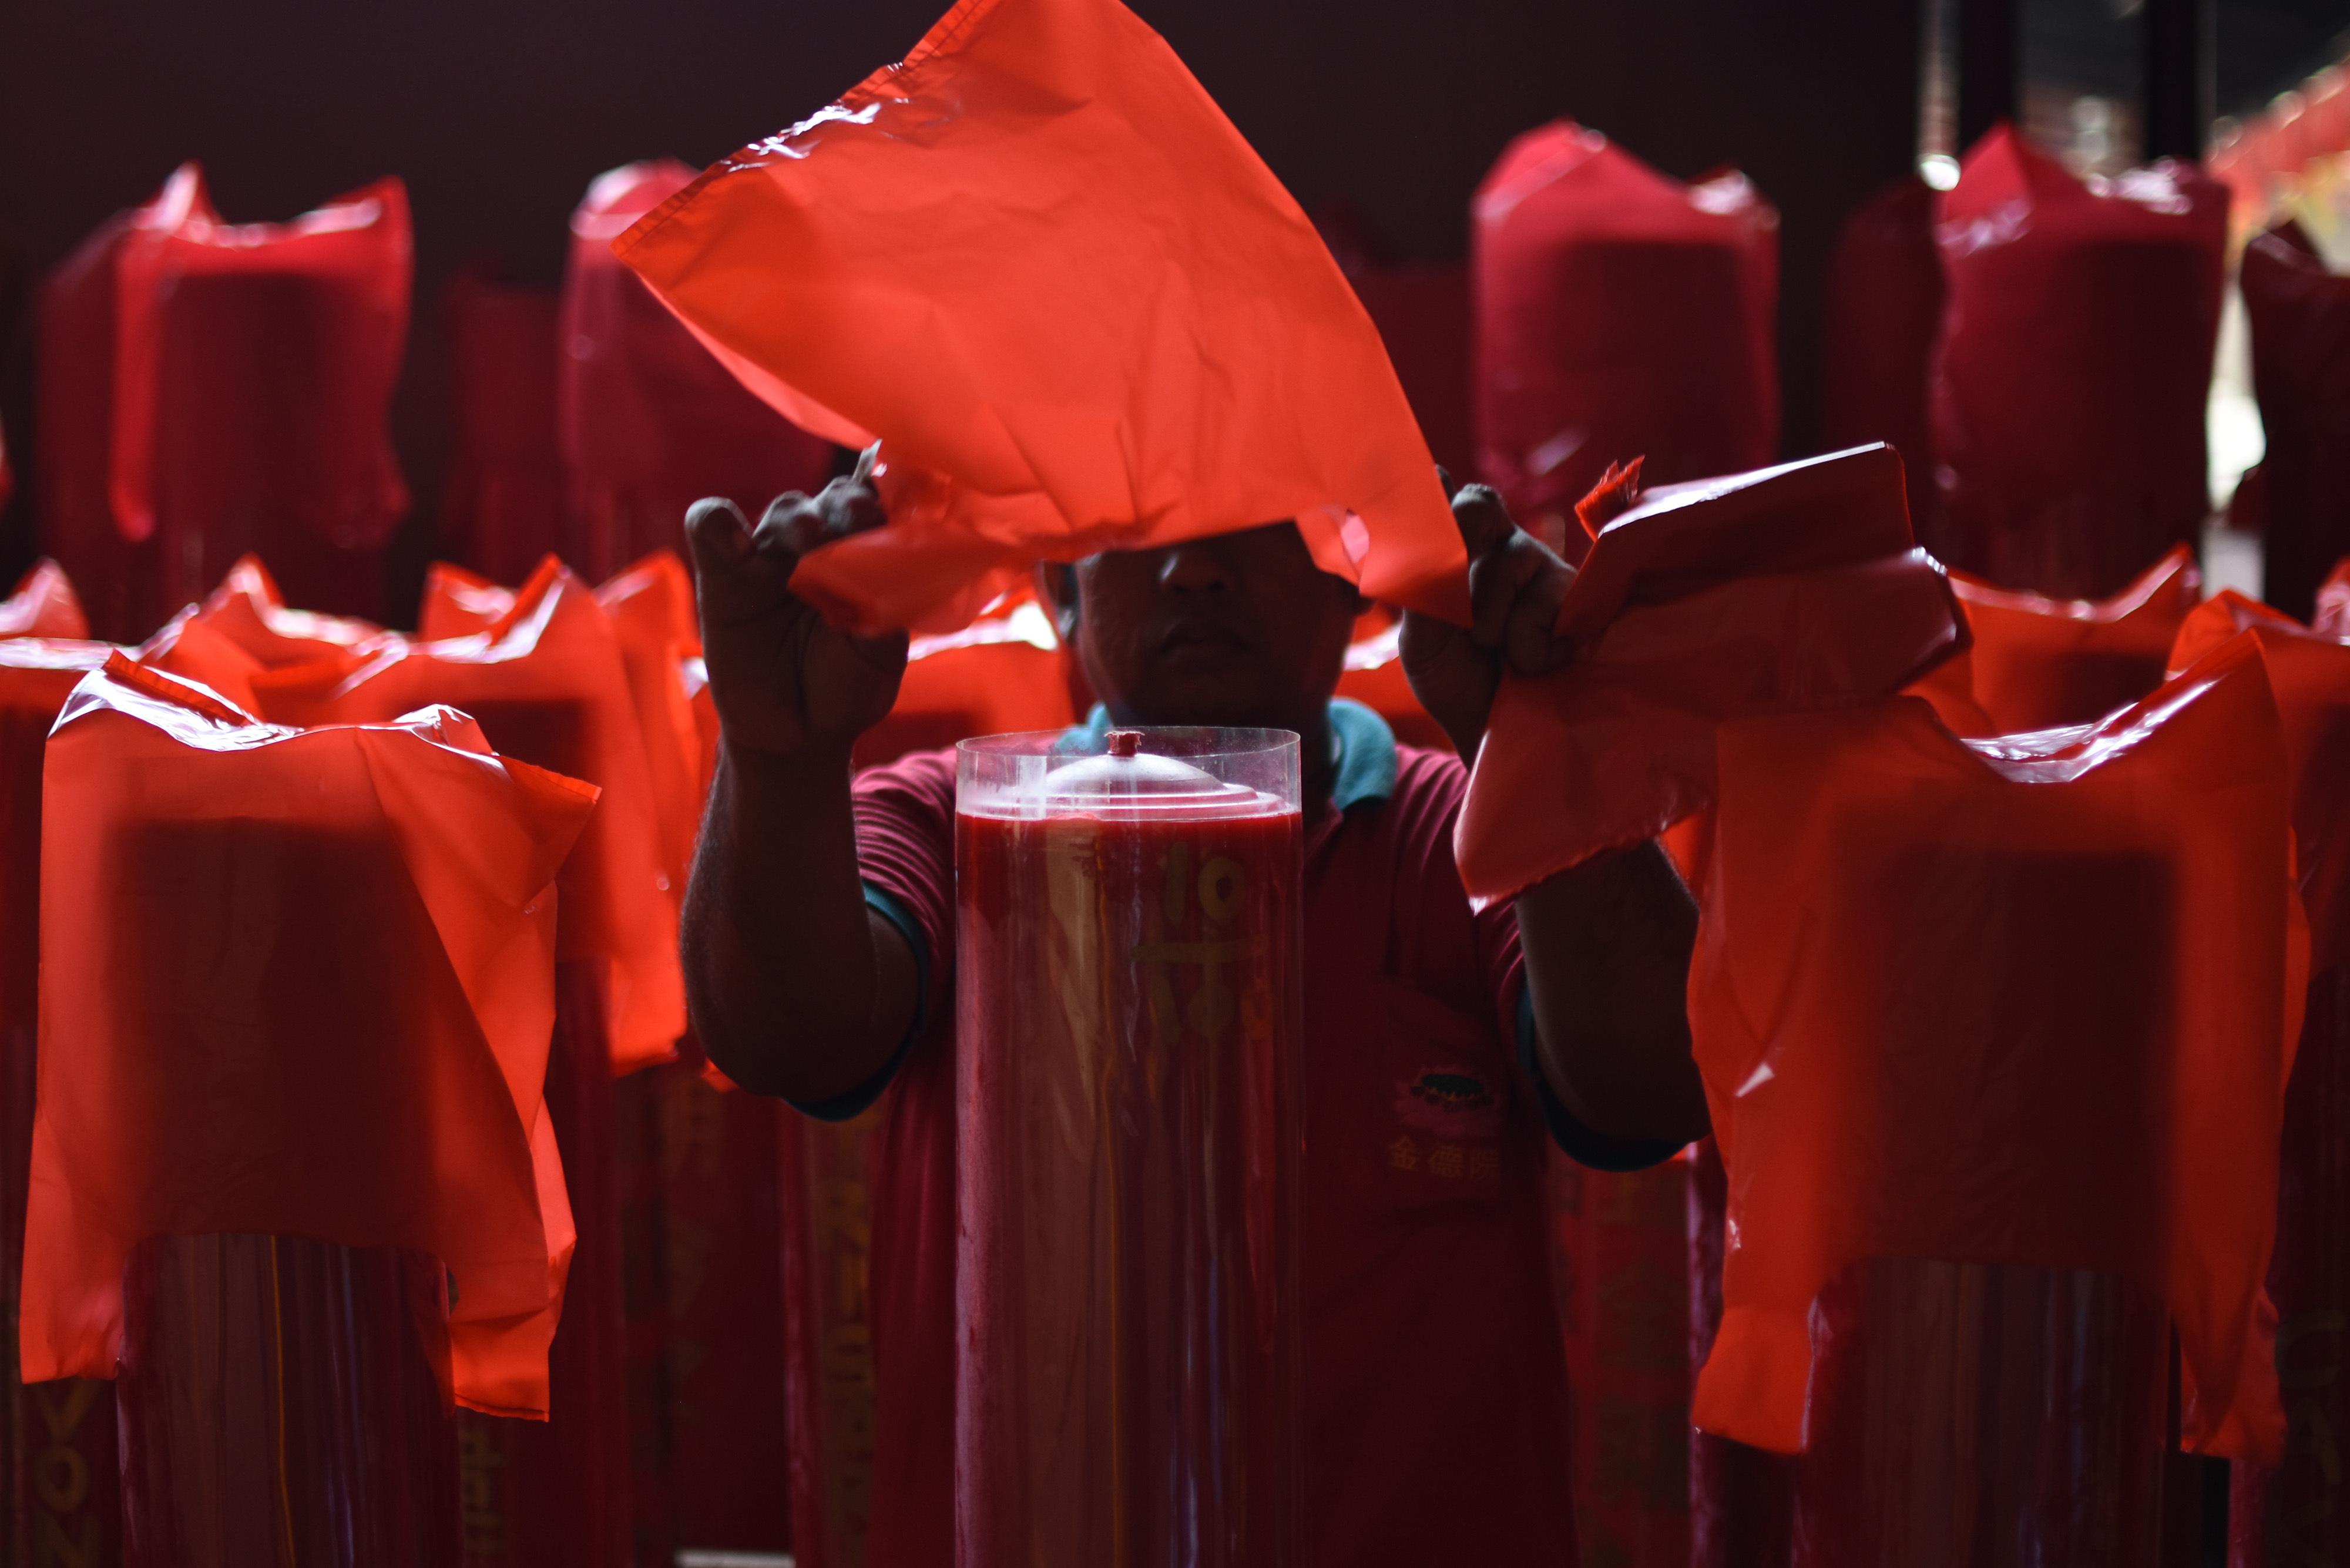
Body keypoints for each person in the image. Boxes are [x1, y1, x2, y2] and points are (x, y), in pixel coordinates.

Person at [683, 472, 1708, 1567]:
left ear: (1352, 570)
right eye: (1135, 522)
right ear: (1060, 588)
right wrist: (777, 754)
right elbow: (782, 1034)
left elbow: (1654, 1088)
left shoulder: (1459, 836)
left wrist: (1542, 742)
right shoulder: (956, 825)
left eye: (1260, 517)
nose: (1197, 568)